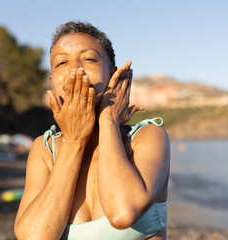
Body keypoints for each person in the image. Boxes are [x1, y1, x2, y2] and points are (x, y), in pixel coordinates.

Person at [14, 21, 170, 240]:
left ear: (113, 74)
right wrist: (75, 140)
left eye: (88, 59)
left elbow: (122, 213)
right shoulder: (44, 150)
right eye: (61, 63)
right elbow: (34, 237)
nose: (75, 69)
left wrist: (108, 119)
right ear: (52, 81)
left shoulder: (146, 138)